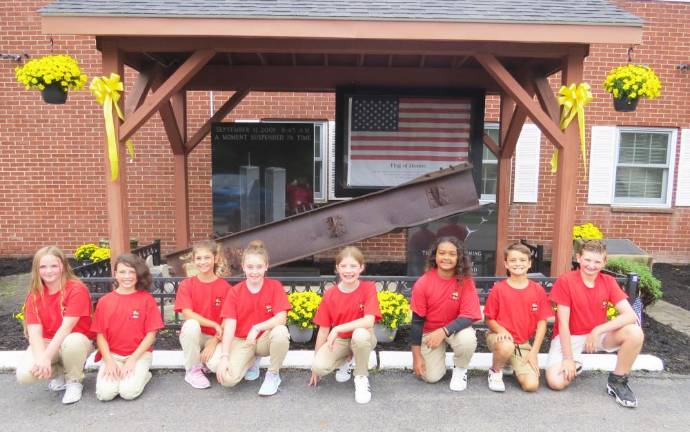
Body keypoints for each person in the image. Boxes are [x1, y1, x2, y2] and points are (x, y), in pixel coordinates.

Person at [545, 240, 644, 408]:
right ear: (579, 258)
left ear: (604, 262)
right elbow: (563, 324)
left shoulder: (608, 282)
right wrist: (568, 359)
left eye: (597, 261)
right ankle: (576, 363)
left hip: (597, 337)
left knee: (635, 333)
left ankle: (617, 382)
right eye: (588, 260)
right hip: (570, 336)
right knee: (556, 382)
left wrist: (598, 330)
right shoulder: (566, 281)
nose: (591, 265)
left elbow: (630, 316)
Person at [16, 246, 95, 404]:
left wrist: (46, 357)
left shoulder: (76, 289)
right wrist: (41, 359)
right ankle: (59, 373)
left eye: (54, 266)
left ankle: (74, 381)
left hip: (76, 341)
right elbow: (34, 333)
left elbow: (66, 328)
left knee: (73, 341)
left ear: (63, 266)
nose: (48, 271)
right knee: (25, 375)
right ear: (36, 270)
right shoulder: (34, 295)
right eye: (43, 267)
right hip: (49, 342)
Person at [214, 240, 291, 396]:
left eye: (259, 267)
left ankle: (273, 375)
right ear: (243, 267)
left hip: (263, 338)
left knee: (281, 332)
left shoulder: (274, 286)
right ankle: (251, 361)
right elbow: (229, 326)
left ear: (266, 266)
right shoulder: (235, 292)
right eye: (250, 267)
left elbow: (281, 318)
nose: (254, 271)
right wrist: (224, 356)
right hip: (243, 341)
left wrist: (257, 327)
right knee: (227, 379)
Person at [309, 246, 381, 404]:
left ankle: (361, 376)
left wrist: (339, 328)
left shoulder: (368, 288)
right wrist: (315, 365)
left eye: (353, 266)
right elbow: (323, 330)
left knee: (360, 335)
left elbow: (369, 321)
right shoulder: (330, 294)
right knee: (320, 367)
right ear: (337, 268)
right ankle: (347, 360)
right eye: (343, 266)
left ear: (361, 268)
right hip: (341, 341)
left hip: (364, 337)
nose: (348, 271)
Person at [410, 237, 482, 391]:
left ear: (459, 258)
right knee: (431, 377)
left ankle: (460, 369)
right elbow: (416, 322)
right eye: (442, 253)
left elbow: (469, 315)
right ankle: (437, 359)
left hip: (454, 330)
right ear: (435, 256)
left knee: (467, 339)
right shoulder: (423, 283)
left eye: (452, 254)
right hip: (429, 333)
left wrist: (444, 331)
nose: (446, 258)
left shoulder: (465, 281)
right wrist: (416, 357)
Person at [91, 253, 164, 401]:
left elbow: (151, 335)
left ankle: (145, 374)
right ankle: (118, 374)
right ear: (115, 274)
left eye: (131, 272)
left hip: (138, 355)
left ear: (138, 274)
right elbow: (100, 335)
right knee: (105, 394)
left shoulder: (146, 299)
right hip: (113, 355)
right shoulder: (105, 301)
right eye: (122, 272)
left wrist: (132, 360)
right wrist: (109, 361)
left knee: (128, 393)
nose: (127, 276)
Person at [484, 243, 553, 392]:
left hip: (522, 344)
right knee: (506, 346)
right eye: (513, 260)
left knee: (531, 385)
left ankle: (511, 363)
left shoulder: (537, 290)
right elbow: (488, 319)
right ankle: (495, 371)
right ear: (506, 264)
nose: (518, 264)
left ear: (529, 263)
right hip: (499, 338)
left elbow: (542, 323)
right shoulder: (499, 289)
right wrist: (501, 330)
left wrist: (534, 352)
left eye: (522, 260)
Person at [175, 240, 232, 389]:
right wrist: (213, 323)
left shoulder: (225, 287)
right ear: (193, 260)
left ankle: (205, 363)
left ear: (216, 258)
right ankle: (193, 370)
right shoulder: (187, 285)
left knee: (217, 367)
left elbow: (227, 319)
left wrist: (213, 342)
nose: (203, 262)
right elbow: (187, 314)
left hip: (215, 337)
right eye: (199, 258)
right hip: (195, 335)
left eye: (207, 257)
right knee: (191, 325)